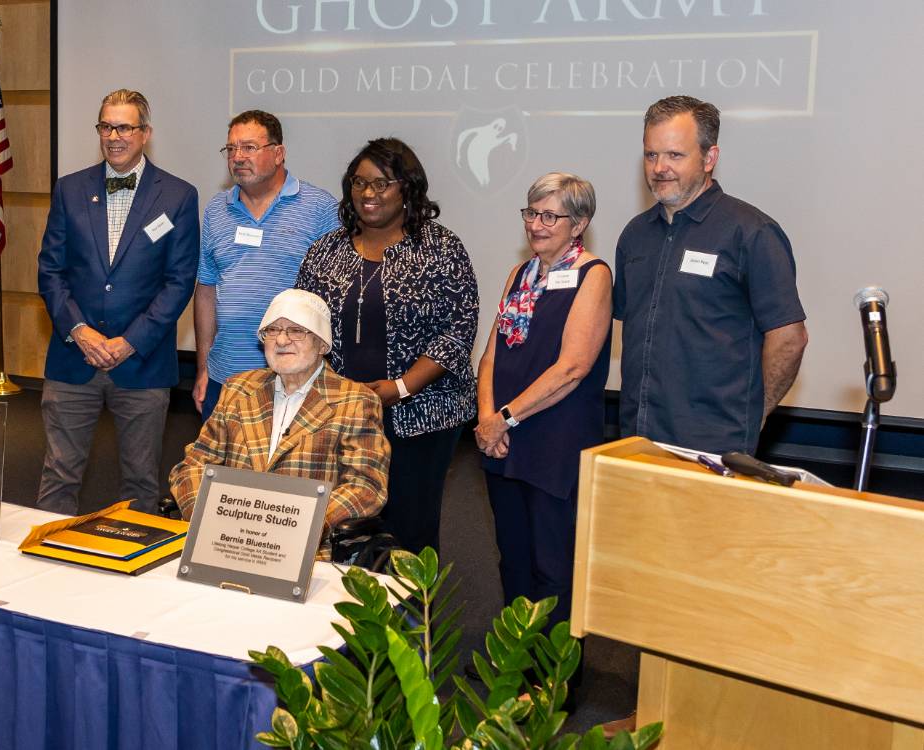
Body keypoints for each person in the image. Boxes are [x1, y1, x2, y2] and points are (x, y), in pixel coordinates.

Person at [295, 137, 479, 555]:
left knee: (408, 528)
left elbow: (457, 331)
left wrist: (400, 387)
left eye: (381, 184)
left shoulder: (440, 248)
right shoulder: (327, 250)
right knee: (341, 525)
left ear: (407, 188)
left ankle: (411, 618)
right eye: (359, 183)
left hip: (420, 415)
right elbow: (304, 321)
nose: (368, 194)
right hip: (339, 412)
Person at [37, 89, 199, 515]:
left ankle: (132, 576)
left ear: (145, 133)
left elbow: (178, 282)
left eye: (124, 126)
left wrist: (130, 341)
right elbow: (50, 270)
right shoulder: (70, 190)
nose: (114, 136)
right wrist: (79, 330)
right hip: (74, 358)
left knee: (140, 483)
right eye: (106, 126)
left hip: (141, 363)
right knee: (59, 476)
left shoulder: (178, 197)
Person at [615, 95, 807, 455]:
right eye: (651, 154)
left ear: (709, 158)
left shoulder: (751, 232)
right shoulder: (635, 235)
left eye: (675, 155)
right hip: (637, 440)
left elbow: (790, 338)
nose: (659, 168)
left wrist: (753, 415)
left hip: (715, 446)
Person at [475, 172, 611, 633]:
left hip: (553, 442)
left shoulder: (594, 276)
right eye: (532, 213)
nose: (536, 224)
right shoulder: (521, 272)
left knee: (554, 567)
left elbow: (572, 368)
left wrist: (505, 418)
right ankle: (512, 663)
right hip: (503, 442)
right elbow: (491, 355)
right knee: (512, 558)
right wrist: (486, 420)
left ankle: (554, 684)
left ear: (579, 223)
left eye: (550, 215)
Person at [169, 289, 389, 556]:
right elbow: (192, 466)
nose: (282, 340)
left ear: (322, 344)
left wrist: (301, 525)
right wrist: (206, 516)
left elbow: (366, 487)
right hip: (226, 543)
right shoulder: (238, 390)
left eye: (296, 330)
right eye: (272, 331)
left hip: (306, 552)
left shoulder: (355, 401)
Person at [193, 110, 339, 422]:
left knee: (284, 471)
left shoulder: (320, 209)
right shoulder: (216, 209)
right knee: (219, 469)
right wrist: (202, 369)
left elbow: (336, 301)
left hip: (294, 380)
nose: (237, 157)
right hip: (224, 378)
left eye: (249, 148)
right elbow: (206, 290)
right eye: (231, 149)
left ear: (278, 153)